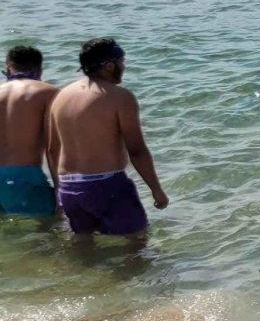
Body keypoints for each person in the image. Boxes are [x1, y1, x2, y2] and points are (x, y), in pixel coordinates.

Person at [47, 38, 169, 236]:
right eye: (122, 62)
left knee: (83, 245)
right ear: (109, 65)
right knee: (136, 242)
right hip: (106, 187)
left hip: (69, 188)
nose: (124, 66)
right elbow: (136, 150)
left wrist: (58, 190)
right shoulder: (120, 97)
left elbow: (53, 148)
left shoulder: (61, 97)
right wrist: (156, 189)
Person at [0, 45, 60, 216]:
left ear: (8, 68)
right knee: (48, 229)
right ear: (40, 69)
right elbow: (53, 147)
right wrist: (60, 189)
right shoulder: (49, 92)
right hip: (23, 178)